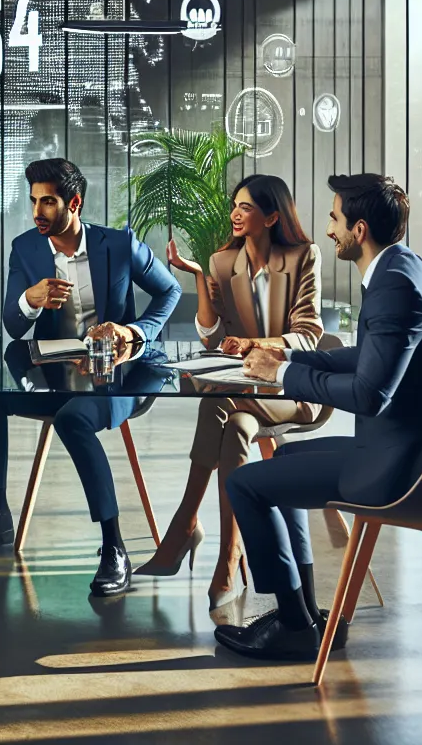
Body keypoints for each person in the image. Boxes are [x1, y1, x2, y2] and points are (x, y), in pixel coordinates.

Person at [215, 174, 422, 661]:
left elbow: (369, 394)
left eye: (334, 219)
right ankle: (305, 614)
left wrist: (281, 373)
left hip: (409, 467)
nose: (329, 229)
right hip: (414, 445)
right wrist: (288, 358)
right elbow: (370, 357)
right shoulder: (404, 267)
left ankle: (293, 627)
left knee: (244, 484)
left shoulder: (393, 286)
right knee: (283, 456)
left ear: (359, 229)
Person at [0, 158, 181, 598]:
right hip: (55, 376)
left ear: (74, 203)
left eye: (48, 202)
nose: (36, 211)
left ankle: (114, 545)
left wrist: (134, 332)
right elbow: (13, 325)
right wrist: (30, 299)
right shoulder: (26, 249)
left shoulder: (118, 244)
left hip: (118, 376)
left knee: (72, 419)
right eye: (33, 201)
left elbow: (168, 290)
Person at [135, 174, 325, 607]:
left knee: (216, 402)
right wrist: (199, 277)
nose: (236, 214)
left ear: (272, 217)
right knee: (234, 425)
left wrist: (254, 344)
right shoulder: (223, 262)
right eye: (234, 206)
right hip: (242, 391)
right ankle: (228, 555)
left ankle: (185, 527)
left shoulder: (302, 256)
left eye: (246, 207)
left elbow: (308, 335)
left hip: (291, 388)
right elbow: (211, 337)